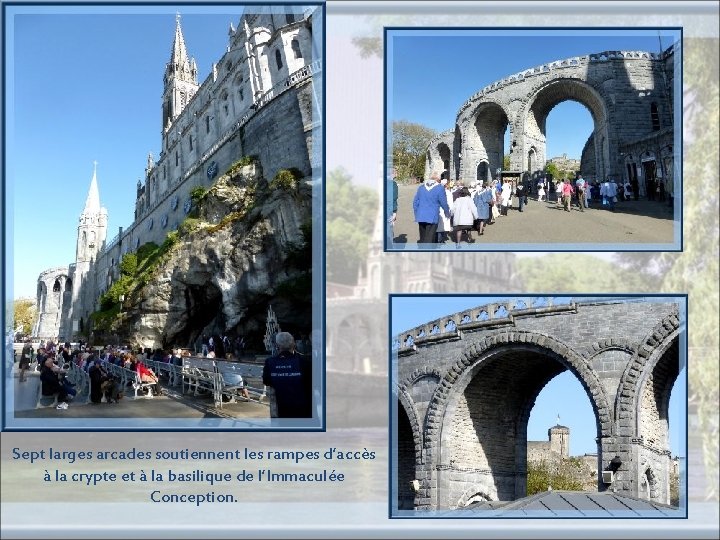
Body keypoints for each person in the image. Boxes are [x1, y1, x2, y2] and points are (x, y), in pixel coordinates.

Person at [262, 332, 312, 418]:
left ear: (277, 345)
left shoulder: (270, 362)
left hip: (282, 410)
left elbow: (266, 380)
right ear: (293, 344)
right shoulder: (305, 361)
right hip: (304, 410)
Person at [412, 172, 450, 244]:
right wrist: (447, 213)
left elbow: (415, 203)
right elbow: (444, 203)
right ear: (438, 179)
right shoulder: (440, 188)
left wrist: (416, 214)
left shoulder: (421, 187)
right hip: (432, 216)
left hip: (421, 216)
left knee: (423, 238)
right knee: (429, 239)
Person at [436, 177, 453, 243]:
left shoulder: (437, 191)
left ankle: (438, 239)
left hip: (438, 210)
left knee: (439, 226)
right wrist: (451, 211)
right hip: (445, 210)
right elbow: (450, 203)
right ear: (446, 185)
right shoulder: (448, 192)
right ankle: (439, 240)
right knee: (443, 226)